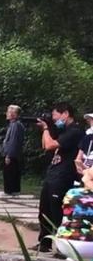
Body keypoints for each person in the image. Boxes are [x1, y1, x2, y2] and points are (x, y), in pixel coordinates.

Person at [36, 102, 83, 252]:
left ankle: (62, 247)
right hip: (53, 174)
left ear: (66, 114)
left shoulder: (74, 131)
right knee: (44, 210)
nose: (55, 120)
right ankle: (44, 243)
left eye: (56, 117)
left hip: (64, 176)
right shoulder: (63, 131)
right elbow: (45, 145)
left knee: (57, 212)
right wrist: (46, 129)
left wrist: (45, 128)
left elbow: (50, 145)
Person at [2, 105, 25, 196]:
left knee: (10, 173)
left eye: (9, 112)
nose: (7, 114)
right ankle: (12, 191)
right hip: (14, 154)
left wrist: (8, 155)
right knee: (11, 173)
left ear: (14, 114)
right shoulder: (13, 124)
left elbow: (13, 141)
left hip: (13, 154)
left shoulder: (16, 125)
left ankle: (10, 192)